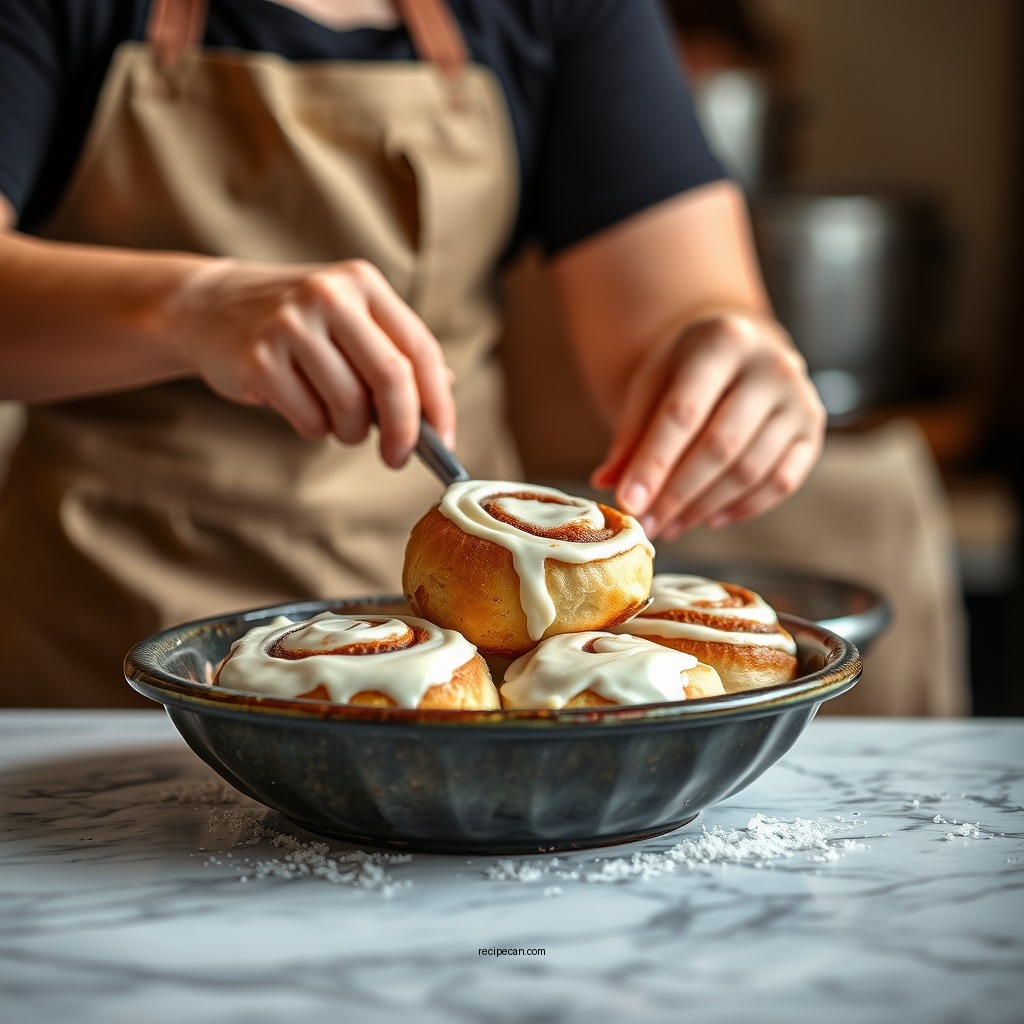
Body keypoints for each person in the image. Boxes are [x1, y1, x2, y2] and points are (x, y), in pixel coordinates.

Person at [0, 0, 825, 706]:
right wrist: (191, 306)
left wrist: (730, 352)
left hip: (465, 664)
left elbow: (682, 313)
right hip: (105, 659)